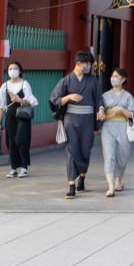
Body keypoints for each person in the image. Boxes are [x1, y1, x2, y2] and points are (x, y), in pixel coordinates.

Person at [50, 51, 105, 199]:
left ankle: (82, 175)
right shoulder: (66, 81)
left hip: (87, 120)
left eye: (90, 64)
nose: (89, 67)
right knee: (71, 150)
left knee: (85, 149)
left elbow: (99, 98)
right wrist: (68, 97)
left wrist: (100, 109)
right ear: (78, 64)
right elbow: (54, 99)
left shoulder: (93, 80)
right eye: (87, 64)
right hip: (71, 120)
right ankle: (71, 185)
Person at [0, 60, 38, 178]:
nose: (13, 71)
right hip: (10, 116)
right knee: (11, 142)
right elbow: (1, 105)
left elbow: (30, 102)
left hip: (22, 116)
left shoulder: (24, 84)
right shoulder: (5, 85)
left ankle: (24, 167)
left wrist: (19, 100)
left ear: (20, 71)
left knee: (20, 140)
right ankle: (13, 168)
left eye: (15, 68)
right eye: (10, 69)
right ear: (7, 72)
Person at [101, 68, 134, 197]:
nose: (113, 79)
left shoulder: (127, 96)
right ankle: (111, 186)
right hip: (108, 127)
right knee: (109, 156)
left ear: (123, 79)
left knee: (123, 157)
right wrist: (102, 113)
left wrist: (121, 110)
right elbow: (100, 111)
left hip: (123, 127)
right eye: (112, 76)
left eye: (116, 76)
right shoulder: (105, 96)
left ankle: (119, 179)